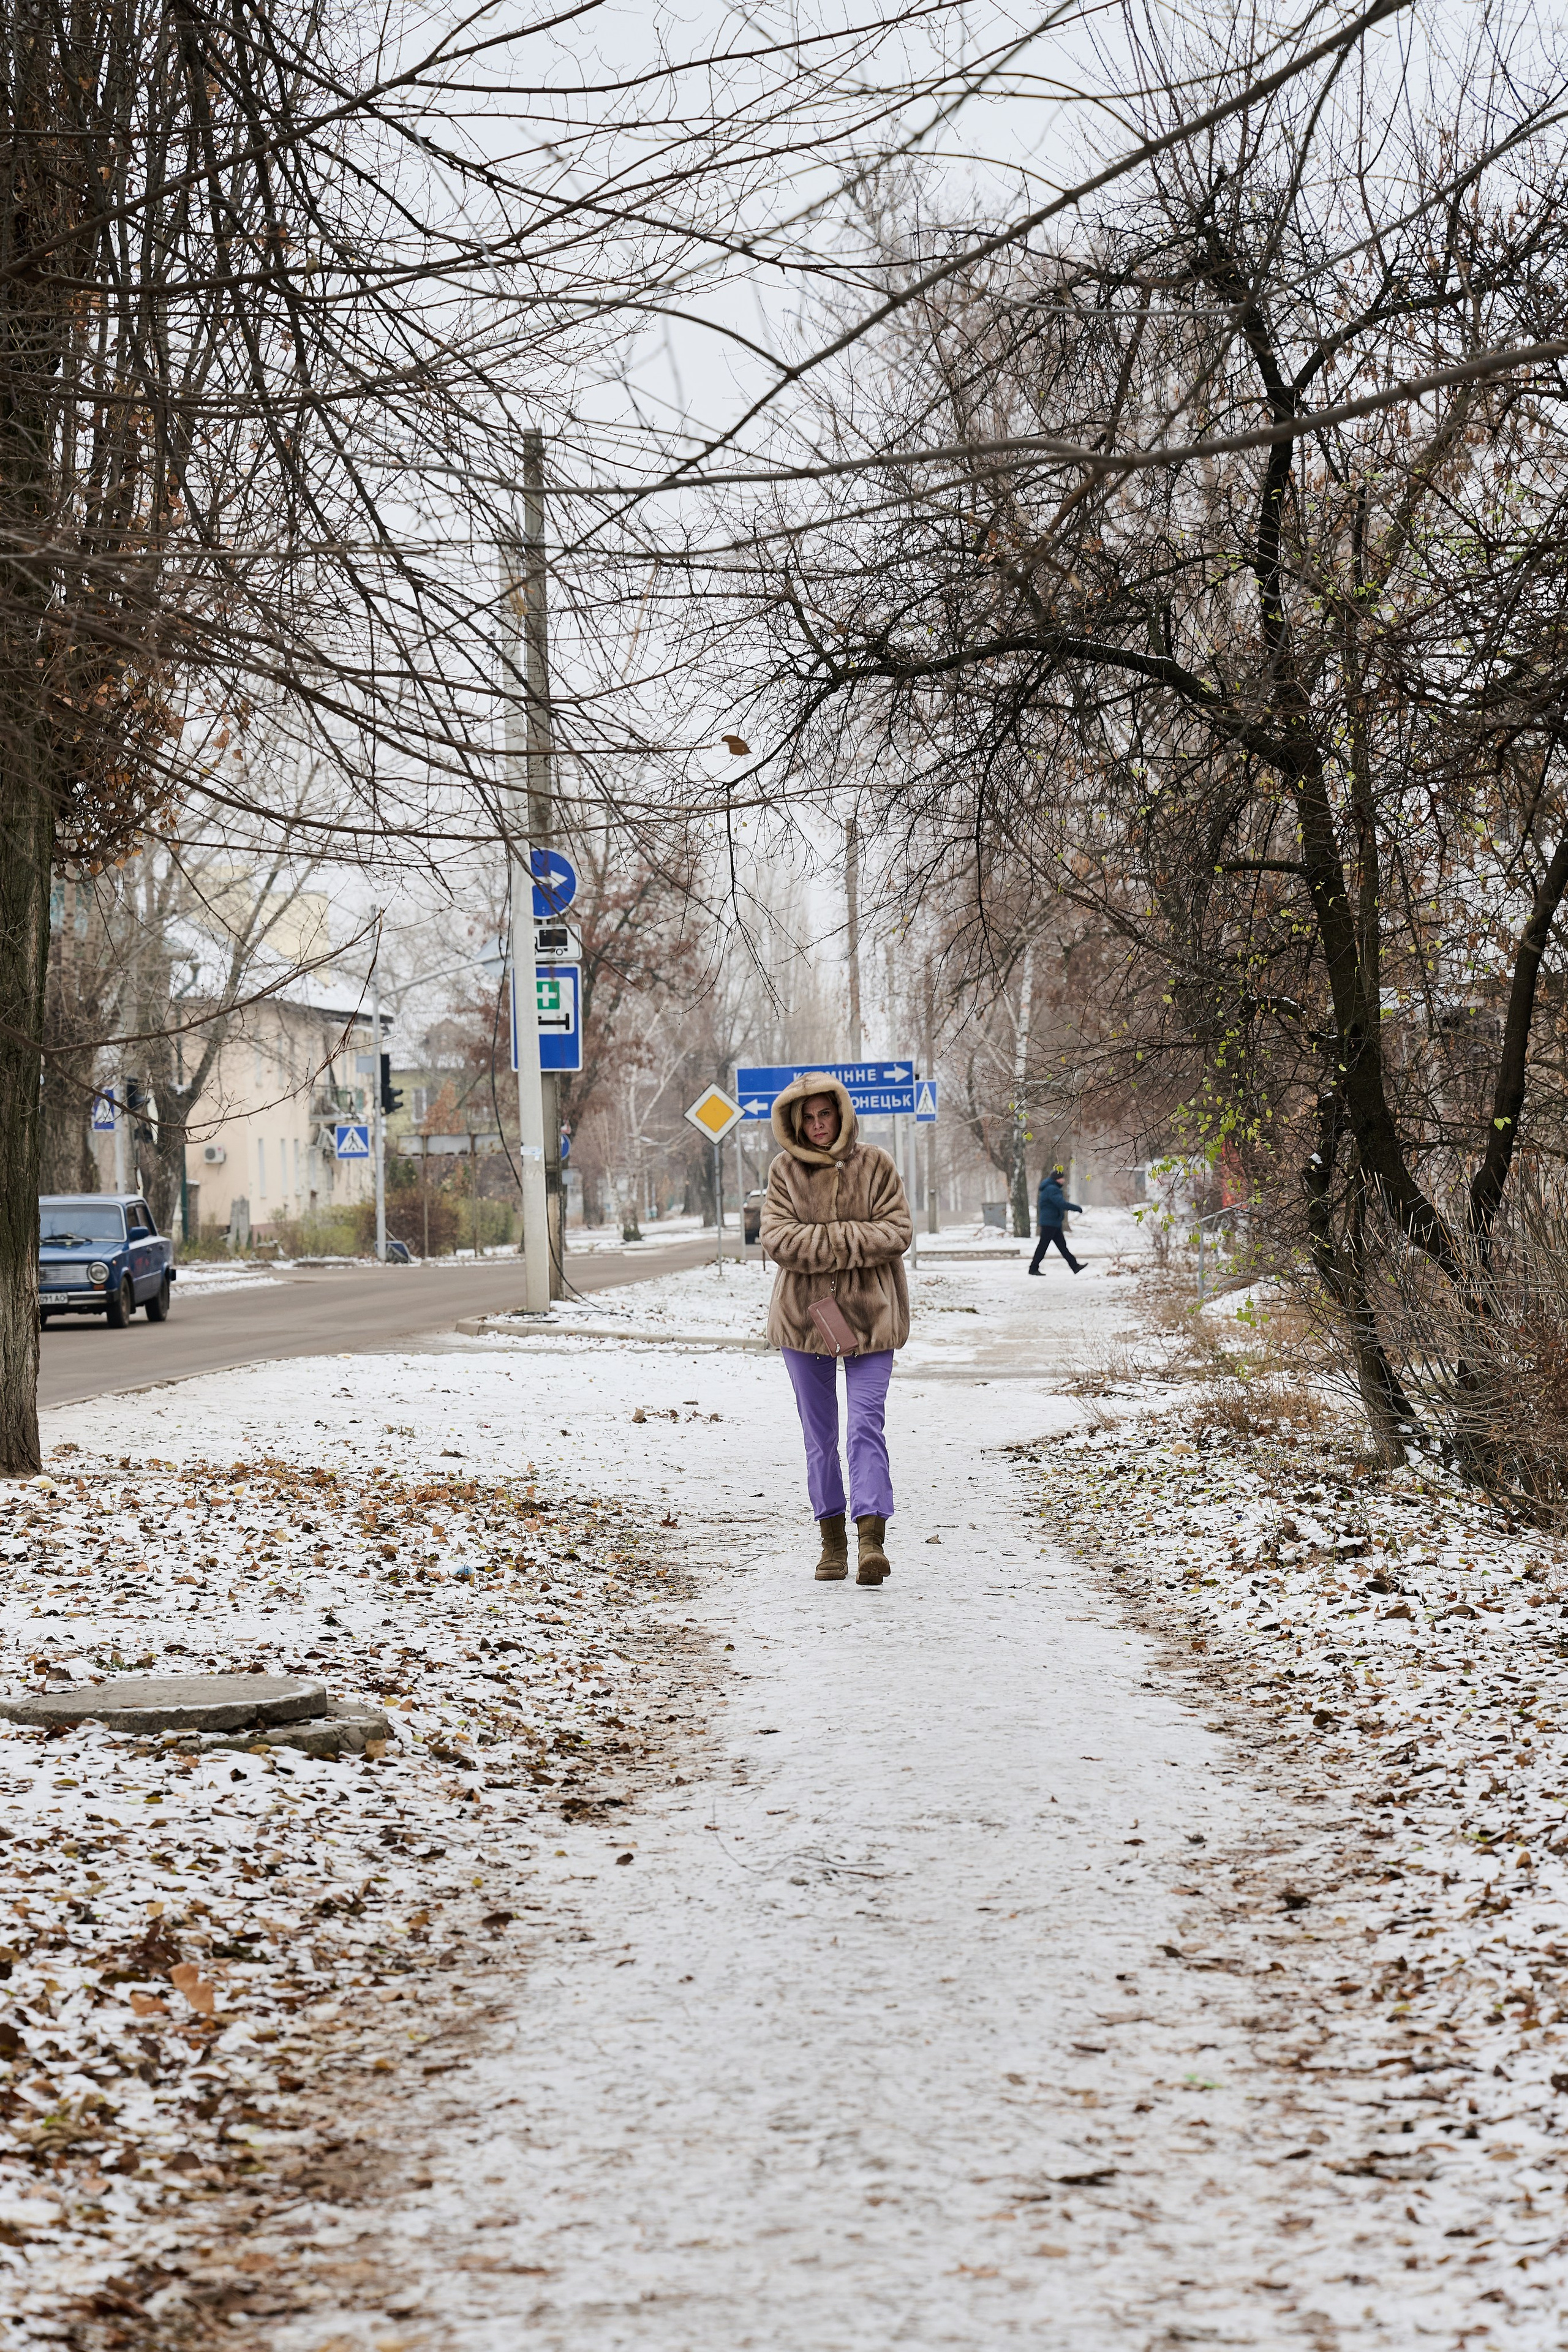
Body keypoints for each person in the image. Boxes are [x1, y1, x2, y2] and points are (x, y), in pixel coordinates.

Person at [760, 1072, 913, 1587]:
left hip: (872, 1318)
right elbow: (778, 1239)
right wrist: (853, 1239)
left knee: (865, 1425)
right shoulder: (784, 1171)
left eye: (826, 1114)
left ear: (842, 1113)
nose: (819, 1124)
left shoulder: (877, 1164)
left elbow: (897, 1232)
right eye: (809, 1117)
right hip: (805, 1322)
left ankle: (872, 1541)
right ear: (795, 1122)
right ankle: (832, 1543)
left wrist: (826, 1239)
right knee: (819, 1437)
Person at [1030, 1164, 1082, 1275]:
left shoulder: (1050, 1188)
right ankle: (1033, 1268)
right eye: (1062, 1178)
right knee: (1043, 1246)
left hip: (1053, 1222)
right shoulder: (1052, 1189)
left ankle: (1075, 1266)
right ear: (1057, 1179)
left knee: (1062, 1246)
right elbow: (1061, 1203)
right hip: (1050, 1223)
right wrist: (1076, 1208)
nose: (1064, 1180)